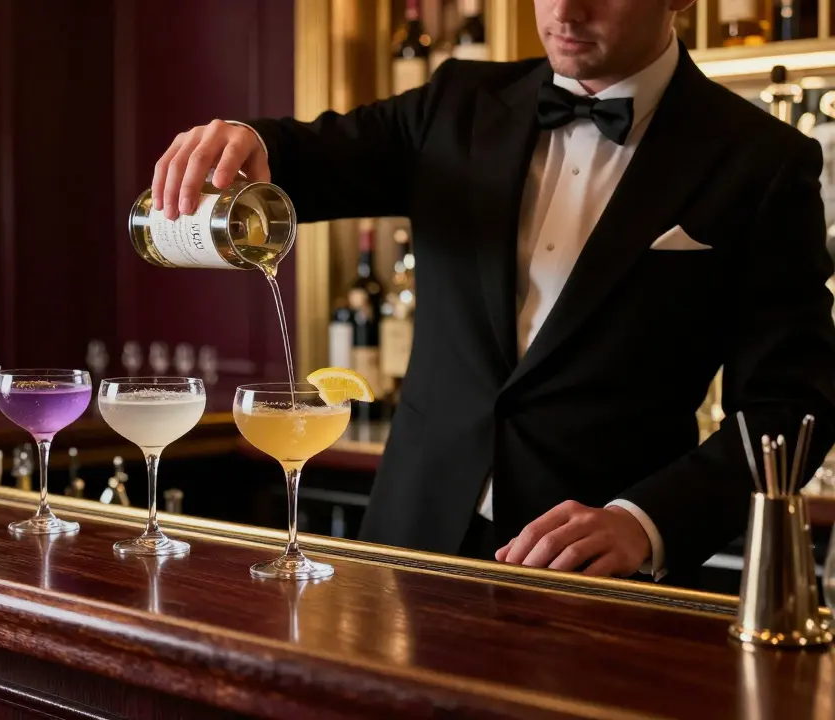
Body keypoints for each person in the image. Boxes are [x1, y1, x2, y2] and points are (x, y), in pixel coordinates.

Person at [149, 0, 835, 585]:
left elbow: (792, 405)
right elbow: (313, 154)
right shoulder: (458, 102)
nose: (565, 11)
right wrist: (243, 139)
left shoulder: (762, 162)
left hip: (594, 574)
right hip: (406, 548)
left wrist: (644, 522)